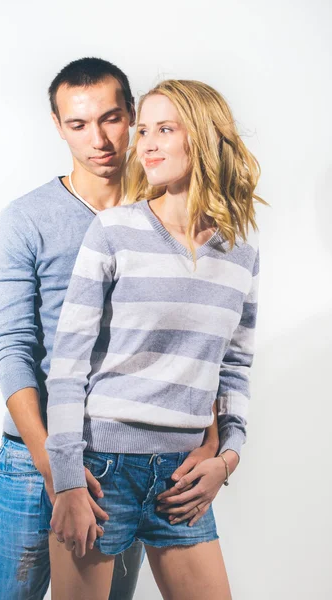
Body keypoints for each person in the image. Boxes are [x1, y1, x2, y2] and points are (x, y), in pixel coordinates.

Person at [46, 78, 265, 600]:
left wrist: (227, 459)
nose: (144, 144)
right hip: (100, 470)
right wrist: (68, 478)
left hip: (182, 480)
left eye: (164, 129)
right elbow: (68, 365)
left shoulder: (241, 253)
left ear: (205, 136)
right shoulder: (113, 231)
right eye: (142, 129)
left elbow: (234, 368)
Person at [0, 57, 154, 600]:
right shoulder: (25, 218)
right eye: (78, 124)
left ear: (132, 115)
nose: (98, 139)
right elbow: (14, 350)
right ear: (58, 126)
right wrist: (51, 462)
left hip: (123, 457)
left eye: (111, 118)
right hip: (34, 459)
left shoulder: (163, 214)